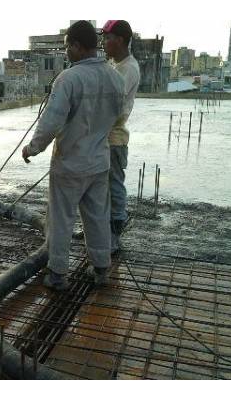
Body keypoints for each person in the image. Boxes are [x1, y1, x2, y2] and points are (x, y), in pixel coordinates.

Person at [21, 21, 125, 291]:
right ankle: (102, 268)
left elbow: (51, 122)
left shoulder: (69, 78)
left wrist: (32, 148)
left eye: (68, 46)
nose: (67, 51)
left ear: (78, 46)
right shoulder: (115, 77)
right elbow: (118, 116)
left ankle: (57, 274)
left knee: (60, 219)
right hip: (99, 161)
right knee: (97, 217)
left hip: (70, 163)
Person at [102, 20, 141, 253]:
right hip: (101, 137)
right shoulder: (113, 64)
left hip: (114, 139)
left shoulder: (128, 69)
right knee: (98, 188)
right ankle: (98, 228)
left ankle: (114, 236)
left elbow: (113, 106)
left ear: (121, 40)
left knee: (114, 188)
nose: (105, 43)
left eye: (108, 38)